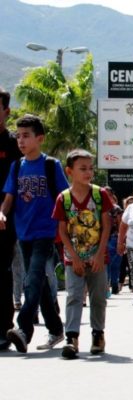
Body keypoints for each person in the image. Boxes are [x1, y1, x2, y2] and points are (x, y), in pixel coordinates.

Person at [0, 114, 67, 353]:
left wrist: (66, 227)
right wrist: (2, 214)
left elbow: (64, 198)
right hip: (23, 233)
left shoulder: (51, 165)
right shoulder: (16, 167)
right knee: (36, 282)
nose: (20, 141)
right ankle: (57, 328)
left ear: (40, 138)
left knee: (32, 278)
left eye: (26, 136)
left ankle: (23, 330)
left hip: (45, 232)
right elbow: (8, 198)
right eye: (18, 136)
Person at [52, 149, 112, 359]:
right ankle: (72, 337)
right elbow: (62, 230)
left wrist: (100, 254)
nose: (88, 172)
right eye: (83, 168)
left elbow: (106, 225)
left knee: (98, 297)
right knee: (74, 296)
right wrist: (73, 257)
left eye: (90, 168)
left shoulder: (99, 194)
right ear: (70, 171)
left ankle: (98, 334)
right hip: (73, 259)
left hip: (98, 257)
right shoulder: (64, 198)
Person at [0, 87, 22, 350]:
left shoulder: (15, 146)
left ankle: (4, 329)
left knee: (2, 274)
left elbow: (18, 185)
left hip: (6, 220)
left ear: (7, 111)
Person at [104, 186, 123, 295]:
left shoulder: (116, 209)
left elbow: (121, 224)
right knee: (106, 262)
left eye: (107, 194)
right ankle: (106, 286)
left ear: (112, 196)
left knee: (115, 263)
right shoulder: (98, 207)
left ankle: (114, 284)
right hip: (102, 238)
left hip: (114, 237)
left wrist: (121, 239)